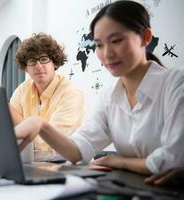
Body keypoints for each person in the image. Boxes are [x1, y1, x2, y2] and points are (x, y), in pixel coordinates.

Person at [14, 0, 184, 177]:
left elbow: (175, 160)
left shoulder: (176, 83)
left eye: (116, 40)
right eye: (99, 45)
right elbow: (78, 150)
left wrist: (121, 161)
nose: (107, 53)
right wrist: (40, 125)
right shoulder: (109, 96)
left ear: (145, 37)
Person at [0, 33, 84, 161]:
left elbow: (47, 144)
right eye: (32, 61)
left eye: (44, 59)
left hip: (64, 164)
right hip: (28, 162)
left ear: (55, 63)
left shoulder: (71, 94)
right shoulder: (23, 90)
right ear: (25, 67)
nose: (39, 66)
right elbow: (9, 131)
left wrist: (3, 105)